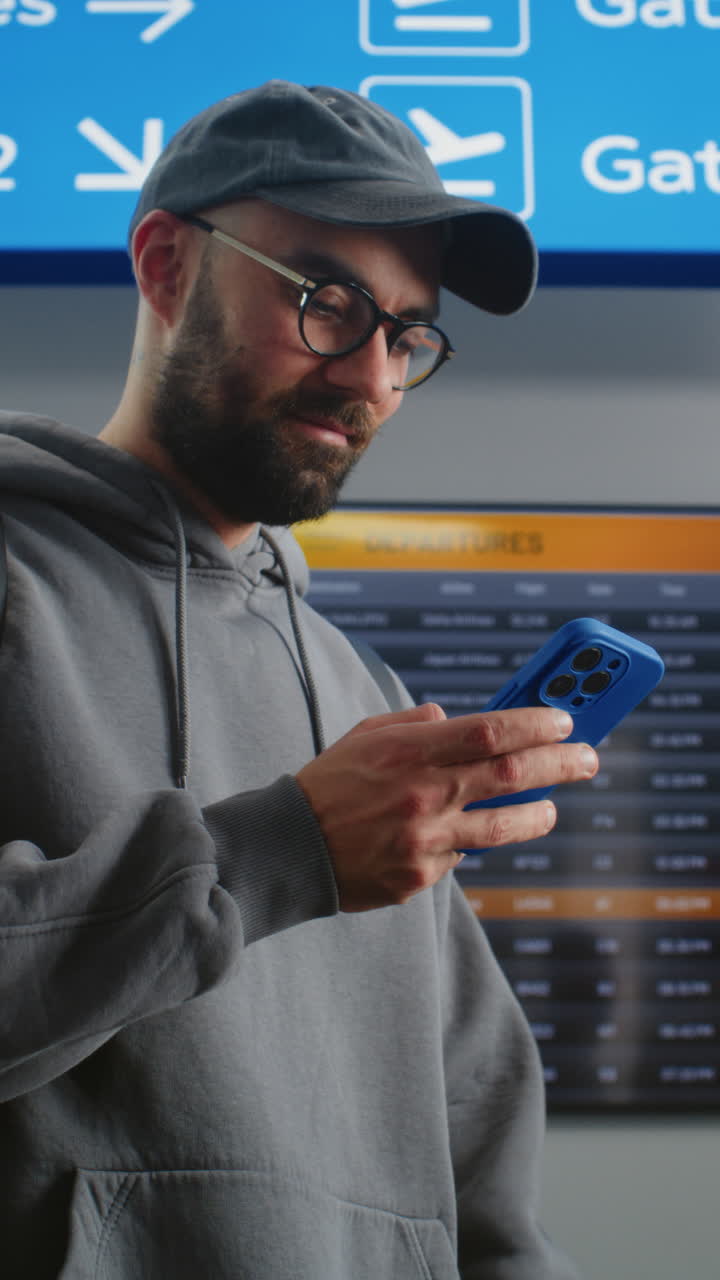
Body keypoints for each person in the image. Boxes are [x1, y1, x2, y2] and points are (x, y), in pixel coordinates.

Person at [0, 81, 596, 1278]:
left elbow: (475, 1142)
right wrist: (280, 851)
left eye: (408, 333)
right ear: (168, 265)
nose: (371, 375)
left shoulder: (367, 699)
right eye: (329, 301)